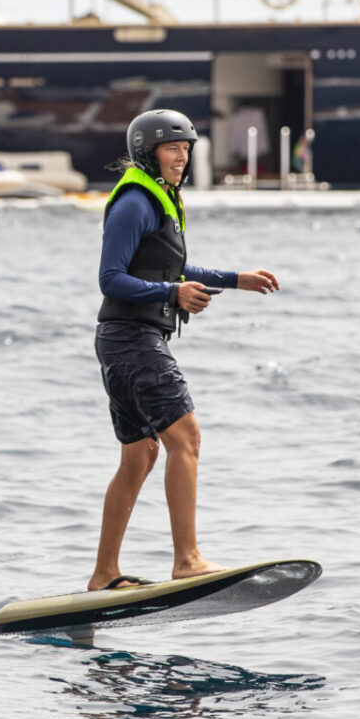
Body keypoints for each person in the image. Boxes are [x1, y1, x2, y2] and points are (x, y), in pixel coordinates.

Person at [88, 108, 280, 591]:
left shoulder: (160, 201)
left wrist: (233, 279)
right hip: (132, 340)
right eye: (173, 148)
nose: (183, 156)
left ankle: (104, 575)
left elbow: (168, 265)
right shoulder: (135, 202)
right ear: (147, 153)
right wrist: (172, 295)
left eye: (187, 148)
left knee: (140, 456)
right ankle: (187, 560)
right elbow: (110, 278)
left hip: (121, 341)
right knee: (185, 439)